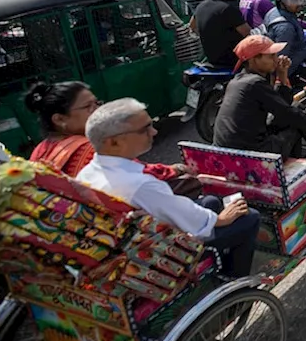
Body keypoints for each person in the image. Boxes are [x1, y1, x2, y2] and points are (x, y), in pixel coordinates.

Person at [77, 99, 261, 277]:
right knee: (249, 217)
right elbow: (177, 210)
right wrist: (221, 219)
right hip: (159, 255)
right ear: (114, 142)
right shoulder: (139, 185)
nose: (154, 132)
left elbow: (176, 208)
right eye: (145, 129)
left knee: (210, 201)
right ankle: (236, 285)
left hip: (131, 243)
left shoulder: (87, 173)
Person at [25, 80, 195, 188]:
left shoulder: (41, 149)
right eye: (88, 107)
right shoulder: (90, 147)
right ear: (60, 119)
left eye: (97, 103)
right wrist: (178, 169)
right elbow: (141, 173)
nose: (98, 110)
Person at [213, 36, 306, 160]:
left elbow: (283, 106)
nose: (276, 59)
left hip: (234, 150)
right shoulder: (254, 83)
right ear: (253, 60)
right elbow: (288, 114)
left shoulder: (239, 80)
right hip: (251, 155)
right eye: (271, 56)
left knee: (296, 109)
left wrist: (282, 75)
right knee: (296, 123)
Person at [192, 0, 251, 68]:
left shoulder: (200, 6)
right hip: (233, 61)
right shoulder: (228, 8)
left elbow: (193, 26)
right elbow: (247, 33)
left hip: (211, 59)